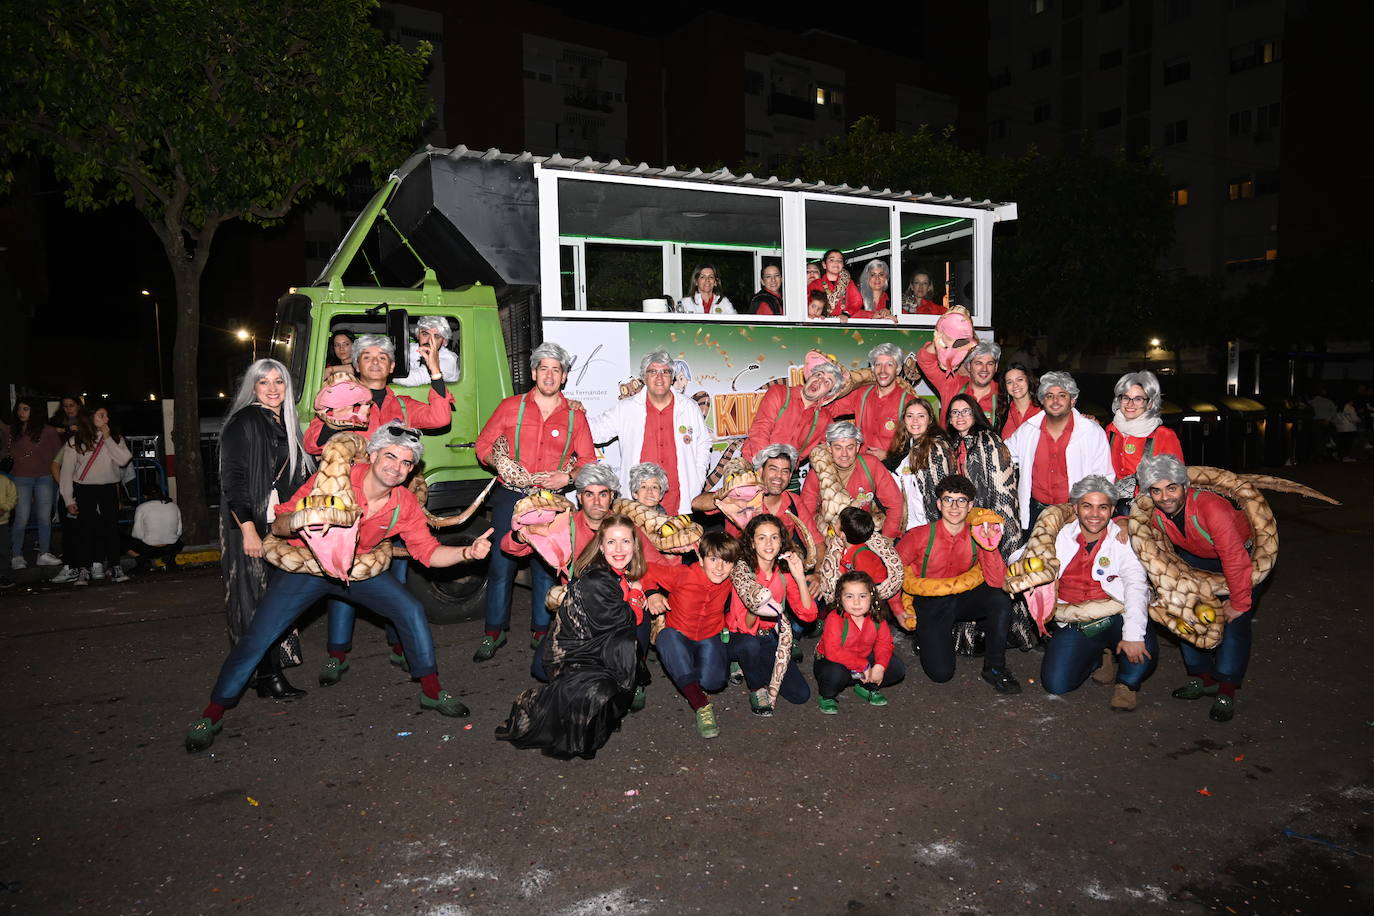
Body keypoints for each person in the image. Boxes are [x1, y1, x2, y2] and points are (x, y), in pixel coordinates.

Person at [184, 426, 495, 753]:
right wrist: (302, 520)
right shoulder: (335, 480)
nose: (396, 467)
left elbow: (429, 553)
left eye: (406, 462)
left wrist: (466, 552)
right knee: (260, 634)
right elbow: (278, 523)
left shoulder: (404, 503)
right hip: (310, 568)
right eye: (390, 456)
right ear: (373, 456)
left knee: (411, 610)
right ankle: (214, 711)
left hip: (361, 570)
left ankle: (431, 690)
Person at [474, 342, 597, 662]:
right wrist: (500, 463)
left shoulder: (575, 415)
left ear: (565, 376)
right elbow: (483, 445)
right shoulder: (509, 407)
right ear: (533, 373)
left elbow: (587, 460)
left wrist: (567, 479)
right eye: (544, 368)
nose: (549, 374)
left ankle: (541, 631)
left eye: (556, 369)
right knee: (502, 562)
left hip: (552, 500)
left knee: (546, 563)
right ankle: (494, 632)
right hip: (510, 495)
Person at [495, 514, 645, 759]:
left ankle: (602, 712)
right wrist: (637, 596)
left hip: (597, 650)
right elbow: (628, 619)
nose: (619, 549)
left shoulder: (618, 572)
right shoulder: (597, 579)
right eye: (611, 542)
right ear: (600, 545)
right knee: (605, 682)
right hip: (576, 656)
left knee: (624, 658)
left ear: (635, 545)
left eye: (625, 542)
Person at [218, 358, 315, 698]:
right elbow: (234, 482)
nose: (273, 388)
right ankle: (267, 676)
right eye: (264, 382)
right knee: (258, 603)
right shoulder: (243, 422)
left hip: (282, 526)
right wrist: (248, 531)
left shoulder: (285, 421)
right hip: (253, 526)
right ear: (253, 387)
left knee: (277, 602)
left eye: (279, 381)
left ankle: (268, 674)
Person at [1136, 454, 1255, 723]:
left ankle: (1226, 688)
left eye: (1171, 488)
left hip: (1235, 559)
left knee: (1232, 622)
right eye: (1156, 490)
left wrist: (1240, 602)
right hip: (1196, 557)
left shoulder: (1212, 508)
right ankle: (1203, 678)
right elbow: (1139, 526)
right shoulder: (1157, 512)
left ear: (1184, 486)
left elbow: (1234, 557)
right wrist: (1122, 524)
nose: (1165, 497)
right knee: (1184, 614)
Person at [1038, 475, 1157, 712]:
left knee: (1142, 653)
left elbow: (1136, 585)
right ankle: (1098, 655)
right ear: (1075, 508)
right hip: (1073, 619)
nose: (1095, 514)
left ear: (1112, 510)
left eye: (1102, 507)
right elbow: (1023, 555)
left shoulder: (1124, 539)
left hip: (1115, 613)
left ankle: (1127, 683)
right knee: (1056, 684)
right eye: (1087, 506)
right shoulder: (1058, 533)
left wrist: (1133, 635)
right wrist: (1025, 565)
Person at [897, 474, 1019, 693]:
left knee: (1000, 598)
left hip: (963, 597)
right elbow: (891, 573)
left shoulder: (977, 533)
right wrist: (898, 611)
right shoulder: (918, 536)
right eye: (948, 500)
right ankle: (925, 636)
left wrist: (989, 546)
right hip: (929, 600)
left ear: (970, 505)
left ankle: (994, 667)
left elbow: (997, 580)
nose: (954, 507)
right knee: (941, 674)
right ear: (938, 504)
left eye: (961, 500)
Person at [499, 463, 624, 679]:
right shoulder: (564, 524)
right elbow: (509, 547)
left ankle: (629, 677)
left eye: (603, 494)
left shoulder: (624, 526)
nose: (596, 502)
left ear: (611, 496)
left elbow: (652, 563)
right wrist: (522, 535)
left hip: (616, 608)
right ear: (579, 497)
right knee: (541, 668)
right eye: (589, 494)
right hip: (576, 609)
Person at [589, 348, 711, 515]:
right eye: (653, 371)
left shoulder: (689, 407)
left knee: (678, 541)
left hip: (678, 501)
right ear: (643, 377)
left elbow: (703, 444)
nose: (659, 377)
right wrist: (570, 410)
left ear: (672, 377)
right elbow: (594, 431)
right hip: (636, 505)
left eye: (665, 372)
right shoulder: (626, 408)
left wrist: (698, 479)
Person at [641, 530, 739, 738]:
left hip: (709, 636)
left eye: (727, 561)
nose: (720, 568)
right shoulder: (683, 575)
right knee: (666, 638)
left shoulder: (732, 579)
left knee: (714, 683)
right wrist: (652, 593)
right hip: (679, 637)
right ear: (700, 557)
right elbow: (645, 570)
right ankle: (701, 705)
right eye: (713, 559)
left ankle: (695, 672)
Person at [726, 513, 817, 716]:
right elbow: (745, 626)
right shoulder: (742, 572)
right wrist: (755, 604)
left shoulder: (783, 574)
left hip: (767, 638)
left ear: (781, 541)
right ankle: (755, 687)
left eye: (774, 537)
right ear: (751, 543)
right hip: (738, 636)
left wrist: (800, 577)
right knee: (747, 645)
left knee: (800, 694)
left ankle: (750, 666)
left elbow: (808, 616)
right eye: (762, 537)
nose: (769, 543)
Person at [303, 334, 454, 455]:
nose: (375, 362)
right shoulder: (340, 400)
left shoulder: (403, 406)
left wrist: (435, 370)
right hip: (351, 487)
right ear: (356, 366)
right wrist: (334, 424)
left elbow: (440, 418)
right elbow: (311, 445)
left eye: (382, 357)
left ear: (391, 367)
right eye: (367, 357)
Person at [1005, 371, 1113, 532]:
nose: (1055, 401)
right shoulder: (1027, 430)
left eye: (1062, 395)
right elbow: (1002, 454)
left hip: (1075, 513)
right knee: (1035, 557)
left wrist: (1090, 512)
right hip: (1036, 511)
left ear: (1073, 400)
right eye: (1049, 396)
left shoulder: (1092, 431)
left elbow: (1104, 477)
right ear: (1042, 400)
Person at [57, 405, 132, 586]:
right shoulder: (75, 441)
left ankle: (115, 566)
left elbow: (123, 460)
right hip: (84, 489)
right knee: (84, 530)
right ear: (91, 419)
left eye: (106, 416)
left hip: (108, 488)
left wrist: (107, 438)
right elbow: (66, 472)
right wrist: (68, 499)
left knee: (111, 529)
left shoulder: (115, 439)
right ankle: (84, 568)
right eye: (101, 416)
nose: (106, 419)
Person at [944, 392, 1025, 556]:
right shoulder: (952, 444)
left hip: (991, 520)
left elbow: (1003, 492)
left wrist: (997, 525)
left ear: (975, 414)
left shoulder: (988, 441)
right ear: (950, 418)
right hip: (965, 517)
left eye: (966, 411)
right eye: (955, 412)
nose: (960, 416)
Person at [814, 570, 905, 713]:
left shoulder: (876, 616)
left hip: (862, 660)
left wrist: (879, 667)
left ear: (871, 597)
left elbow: (885, 643)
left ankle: (865, 686)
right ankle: (827, 696)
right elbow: (833, 652)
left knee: (897, 668)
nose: (856, 602)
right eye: (849, 596)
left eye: (862, 596)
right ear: (840, 598)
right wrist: (863, 665)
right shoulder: (835, 617)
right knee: (835, 673)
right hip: (833, 661)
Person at [692, 443, 816, 545]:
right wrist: (728, 497)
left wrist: (816, 573)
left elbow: (816, 541)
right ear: (760, 471)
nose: (779, 476)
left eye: (785, 471)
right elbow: (697, 503)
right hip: (741, 567)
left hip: (780, 569)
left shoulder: (794, 501)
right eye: (773, 469)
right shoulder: (742, 493)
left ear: (790, 476)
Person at [799, 421, 904, 539]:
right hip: (829, 535)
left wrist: (887, 538)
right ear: (829, 448)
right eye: (838, 448)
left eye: (850, 447)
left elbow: (895, 503)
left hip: (866, 533)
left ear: (858, 447)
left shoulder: (871, 465)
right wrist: (819, 544)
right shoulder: (818, 472)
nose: (844, 454)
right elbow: (805, 514)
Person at [742, 356, 843, 461]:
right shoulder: (779, 393)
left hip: (784, 473)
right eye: (818, 375)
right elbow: (760, 429)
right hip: (753, 462)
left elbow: (837, 446)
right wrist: (764, 464)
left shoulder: (824, 418)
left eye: (827, 382)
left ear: (828, 394)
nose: (819, 381)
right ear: (810, 376)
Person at [7, 396, 65, 570]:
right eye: (19, 409)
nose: (21, 413)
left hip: (45, 477)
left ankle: (44, 553)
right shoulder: (13, 430)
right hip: (21, 478)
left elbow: (58, 455)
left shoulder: (48, 431)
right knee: (22, 517)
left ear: (34, 411)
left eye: (25, 409)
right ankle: (16, 555)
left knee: (44, 517)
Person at [828, 343, 911, 457]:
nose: (883, 370)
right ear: (872, 368)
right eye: (878, 364)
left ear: (898, 369)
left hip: (892, 469)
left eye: (889, 365)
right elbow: (830, 408)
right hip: (861, 465)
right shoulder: (861, 394)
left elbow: (919, 446)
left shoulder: (909, 402)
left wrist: (889, 456)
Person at [887, 398, 955, 531]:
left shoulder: (937, 448)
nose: (915, 421)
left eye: (921, 416)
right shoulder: (907, 447)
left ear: (930, 420)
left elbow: (942, 491)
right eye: (910, 416)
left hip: (930, 527)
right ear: (904, 420)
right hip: (909, 526)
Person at [917, 338, 1001, 425]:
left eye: (990, 364)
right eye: (978, 363)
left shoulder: (1003, 394)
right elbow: (925, 360)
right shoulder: (952, 384)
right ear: (968, 366)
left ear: (996, 367)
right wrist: (943, 339)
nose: (984, 369)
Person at [127, 489, 183, 574]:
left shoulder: (142, 507)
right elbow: (179, 532)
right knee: (179, 541)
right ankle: (169, 558)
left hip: (149, 549)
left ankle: (142, 562)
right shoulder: (174, 506)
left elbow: (137, 534)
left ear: (145, 496)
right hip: (171, 546)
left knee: (123, 541)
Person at [394, 316, 461, 387]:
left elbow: (408, 380)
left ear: (444, 341)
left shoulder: (449, 360)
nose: (429, 340)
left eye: (436, 336)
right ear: (417, 335)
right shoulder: (411, 349)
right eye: (425, 334)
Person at [809, 249, 865, 318]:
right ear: (824, 265)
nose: (836, 263)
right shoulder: (816, 283)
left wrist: (846, 314)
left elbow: (857, 301)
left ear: (843, 265)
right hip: (820, 320)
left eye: (839, 260)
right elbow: (809, 302)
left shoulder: (849, 283)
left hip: (843, 321)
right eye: (832, 260)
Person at [999, 363, 1041, 440]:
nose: (1015, 385)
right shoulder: (1002, 413)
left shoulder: (1042, 410)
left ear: (1029, 380)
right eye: (1009, 382)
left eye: (1020, 379)